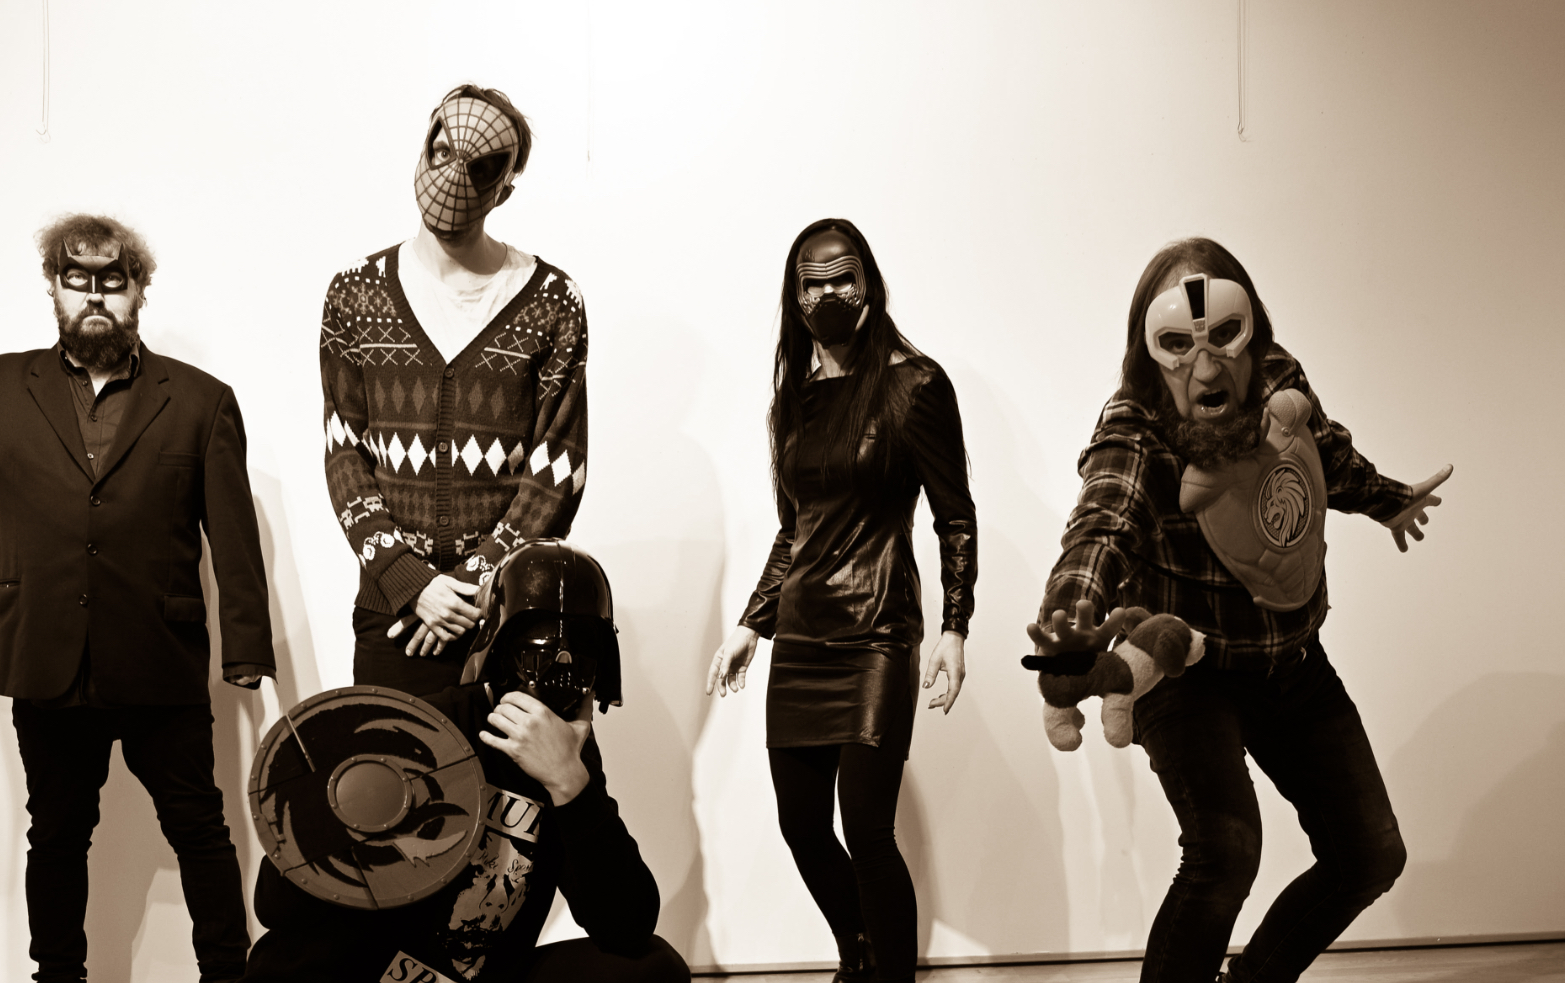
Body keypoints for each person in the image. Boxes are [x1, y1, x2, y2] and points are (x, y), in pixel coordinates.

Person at [0, 213, 275, 983]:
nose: (96, 295)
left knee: (200, 828)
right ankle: (59, 976)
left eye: (114, 280)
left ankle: (226, 972)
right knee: (57, 834)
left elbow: (233, 534)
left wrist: (246, 648)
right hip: (49, 663)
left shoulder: (201, 400)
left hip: (161, 661)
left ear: (139, 290)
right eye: (78, 279)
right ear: (54, 288)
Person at [1030, 237, 1449, 982]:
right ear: (1148, 349)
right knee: (1225, 851)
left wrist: (1387, 499)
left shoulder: (1278, 378)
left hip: (1289, 660)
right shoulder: (1136, 425)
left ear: (1251, 326)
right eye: (1178, 344)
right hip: (1183, 668)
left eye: (1225, 333)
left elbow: (1324, 455)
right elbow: (1104, 519)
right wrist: (1073, 611)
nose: (1205, 367)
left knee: (1370, 853)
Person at [706, 218, 978, 983]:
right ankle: (859, 953)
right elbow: (795, 528)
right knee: (801, 825)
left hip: (877, 634)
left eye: (842, 278)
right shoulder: (793, 400)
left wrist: (955, 627)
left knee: (867, 828)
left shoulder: (915, 385)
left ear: (868, 284)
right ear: (794, 297)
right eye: (812, 283)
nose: (828, 294)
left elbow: (955, 516)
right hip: (801, 636)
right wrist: (752, 623)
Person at [241, 541, 690, 983]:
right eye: (537, 648)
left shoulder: (570, 757)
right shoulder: (413, 732)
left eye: (581, 647)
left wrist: (570, 784)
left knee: (654, 970)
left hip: (473, 975)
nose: (560, 664)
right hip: (368, 970)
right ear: (501, 645)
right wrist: (346, 810)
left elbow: (627, 928)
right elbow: (277, 908)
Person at [320, 84, 589, 696]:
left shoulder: (552, 300)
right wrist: (410, 583)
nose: (452, 174)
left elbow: (559, 468)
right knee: (395, 760)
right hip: (393, 618)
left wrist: (473, 585)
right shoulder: (356, 293)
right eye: (441, 151)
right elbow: (344, 454)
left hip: (510, 617)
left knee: (511, 765)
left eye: (479, 166)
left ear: (506, 188)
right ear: (423, 150)